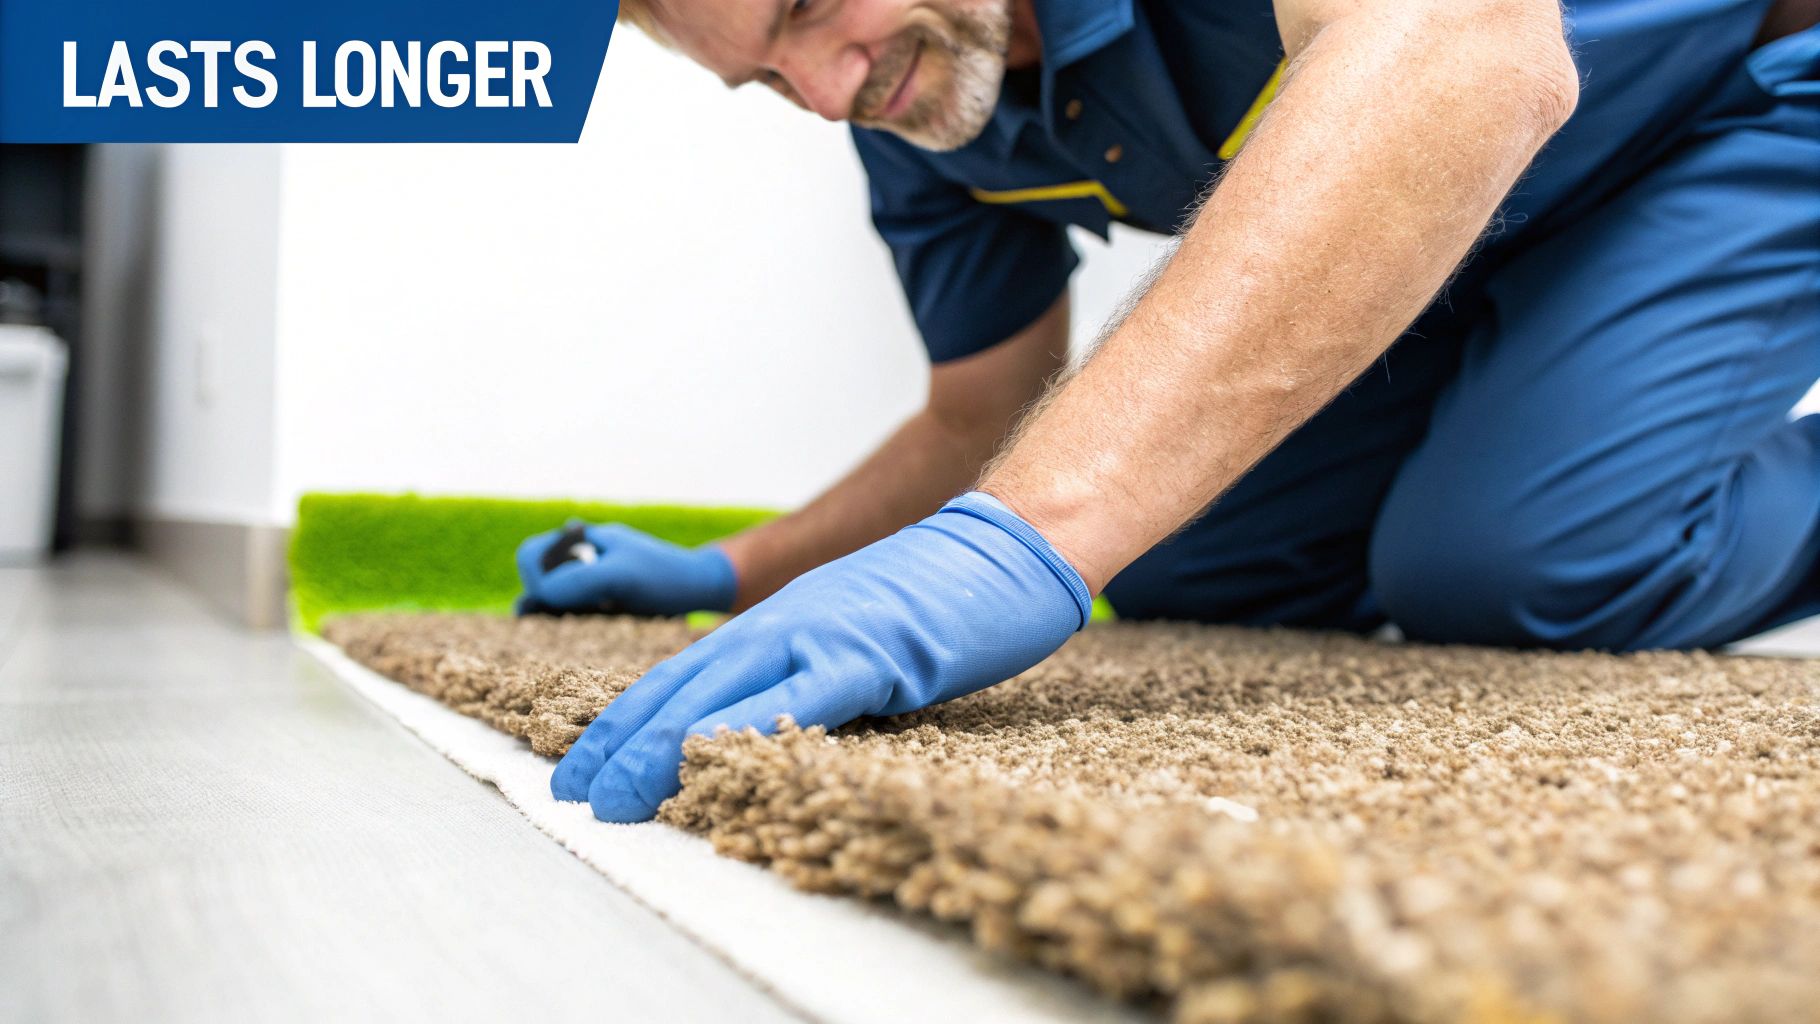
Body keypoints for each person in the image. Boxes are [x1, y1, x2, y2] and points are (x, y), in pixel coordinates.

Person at [515, 0, 1820, 822]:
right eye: (765, 75)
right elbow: (980, 415)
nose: (822, 85)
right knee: (1197, 562)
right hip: (1488, 226)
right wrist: (723, 570)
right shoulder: (909, 109)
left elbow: (1469, 50)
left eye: (809, 3)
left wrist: (1023, 542)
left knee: (1517, 565)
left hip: (1736, 94)